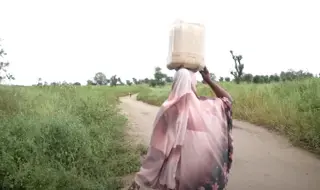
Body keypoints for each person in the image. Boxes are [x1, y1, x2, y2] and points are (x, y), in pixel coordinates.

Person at [128, 67, 233, 190]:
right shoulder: (207, 107)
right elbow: (228, 101)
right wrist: (209, 80)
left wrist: (142, 178)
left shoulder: (169, 111)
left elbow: (158, 151)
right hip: (204, 179)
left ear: (175, 83)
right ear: (193, 84)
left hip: (176, 180)